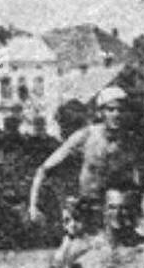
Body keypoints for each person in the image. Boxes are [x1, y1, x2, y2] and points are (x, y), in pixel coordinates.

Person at [27, 86, 134, 223]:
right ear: (100, 113)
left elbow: (143, 179)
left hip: (114, 214)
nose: (116, 114)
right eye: (110, 109)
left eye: (121, 110)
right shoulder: (86, 135)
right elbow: (43, 170)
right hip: (84, 212)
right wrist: (33, 206)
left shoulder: (129, 142)